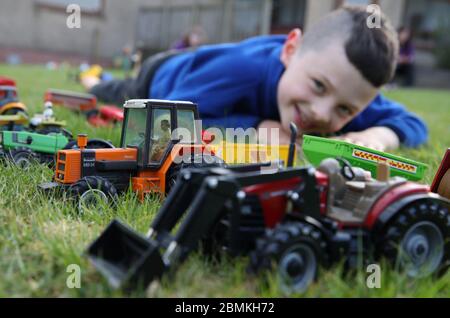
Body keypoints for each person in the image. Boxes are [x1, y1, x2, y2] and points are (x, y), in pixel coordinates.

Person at [84, 6, 428, 151]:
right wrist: (255, 129)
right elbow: (167, 118)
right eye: (318, 86)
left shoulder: (347, 84)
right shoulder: (242, 70)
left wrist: (378, 136)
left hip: (200, 75)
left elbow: (412, 123)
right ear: (291, 49)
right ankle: (92, 79)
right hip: (165, 75)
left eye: (345, 110)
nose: (322, 114)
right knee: (113, 92)